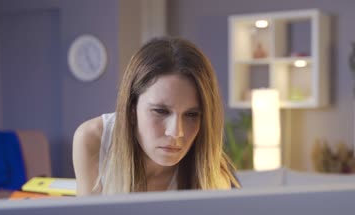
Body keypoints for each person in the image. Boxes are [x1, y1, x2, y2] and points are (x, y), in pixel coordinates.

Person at [73, 36, 240, 195]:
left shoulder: (212, 177)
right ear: (131, 109)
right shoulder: (94, 139)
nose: (175, 132)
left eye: (192, 115)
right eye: (160, 111)